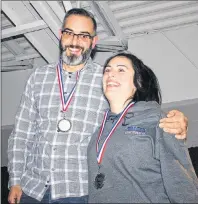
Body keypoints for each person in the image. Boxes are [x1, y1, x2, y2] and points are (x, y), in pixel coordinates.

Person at [8, 8, 189, 204]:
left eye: (84, 36)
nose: (75, 41)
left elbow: (136, 110)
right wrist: (15, 180)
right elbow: (22, 133)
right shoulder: (38, 77)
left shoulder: (106, 78)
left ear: (93, 42)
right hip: (32, 189)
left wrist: (173, 119)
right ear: (61, 36)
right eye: (69, 33)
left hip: (80, 191)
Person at [87, 52, 198, 203]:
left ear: (138, 82)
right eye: (107, 70)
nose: (111, 74)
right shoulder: (97, 132)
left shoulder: (158, 120)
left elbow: (181, 182)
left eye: (121, 70)